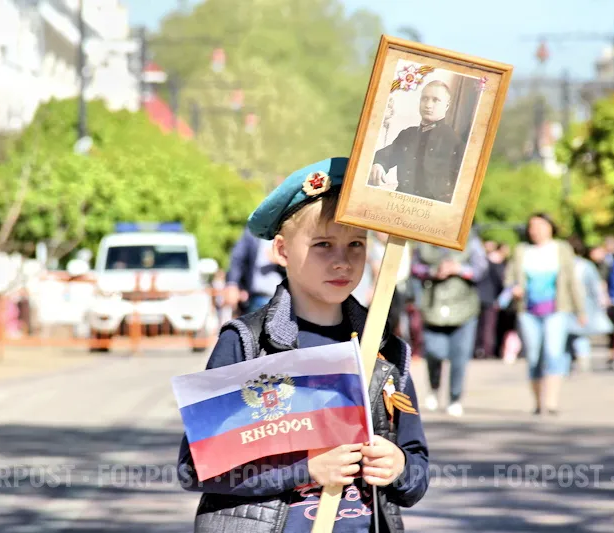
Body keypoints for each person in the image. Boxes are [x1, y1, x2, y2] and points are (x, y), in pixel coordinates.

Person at [177, 157, 429, 533]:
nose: (342, 261)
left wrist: (399, 468)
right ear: (281, 251)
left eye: (356, 244)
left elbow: (416, 466)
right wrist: (305, 471)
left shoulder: (384, 350)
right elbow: (197, 466)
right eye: (323, 244)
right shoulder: (247, 342)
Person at [504, 213, 586, 415]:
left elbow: (572, 281)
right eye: (532, 226)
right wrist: (514, 288)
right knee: (533, 356)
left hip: (556, 310)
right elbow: (509, 278)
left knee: (553, 353)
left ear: (550, 227)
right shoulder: (521, 250)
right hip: (528, 311)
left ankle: (551, 402)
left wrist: (580, 309)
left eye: (540, 225)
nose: (536, 230)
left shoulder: (562, 249)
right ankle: (537, 402)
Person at [411, 231, 488, 417]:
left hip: (464, 308)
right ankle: (434, 387)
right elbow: (414, 267)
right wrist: (433, 271)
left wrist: (459, 269)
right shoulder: (424, 238)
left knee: (460, 356)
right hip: (433, 307)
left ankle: (455, 398)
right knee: (434, 352)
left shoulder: (471, 239)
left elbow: (481, 269)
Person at [369, 80, 465, 203]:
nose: (428, 105)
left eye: (435, 100)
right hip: (398, 202)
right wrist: (379, 164)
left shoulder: (454, 143)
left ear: (446, 105)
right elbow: (386, 155)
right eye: (424, 99)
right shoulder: (407, 134)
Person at [566, 236, 614, 372]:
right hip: (579, 304)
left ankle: (576, 360)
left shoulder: (580, 266)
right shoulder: (584, 265)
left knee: (575, 334)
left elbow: (594, 287)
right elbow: (595, 287)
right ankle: (579, 361)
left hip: (578, 305)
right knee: (578, 334)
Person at [225, 226, 285, 315]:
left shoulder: (289, 228)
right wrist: (232, 284)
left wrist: (283, 259)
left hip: (284, 298)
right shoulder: (253, 230)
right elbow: (237, 258)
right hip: (256, 298)